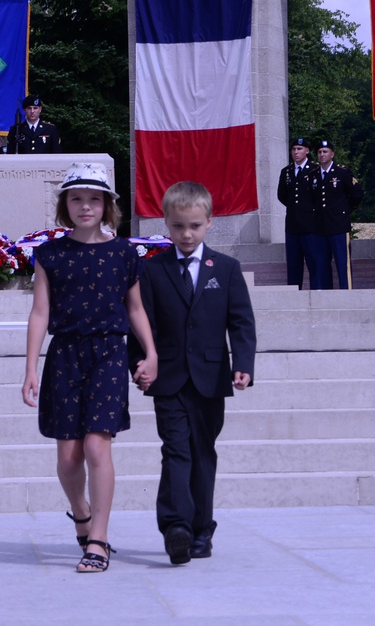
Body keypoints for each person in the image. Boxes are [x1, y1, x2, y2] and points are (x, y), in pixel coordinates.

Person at [22, 162, 157, 573]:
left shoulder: (123, 253)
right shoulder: (50, 255)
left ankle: (97, 539)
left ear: (106, 206)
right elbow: (40, 312)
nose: (85, 206)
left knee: (98, 445)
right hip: (65, 355)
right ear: (66, 204)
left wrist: (150, 353)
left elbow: (135, 308)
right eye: (77, 199)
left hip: (109, 355)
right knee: (68, 457)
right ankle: (80, 513)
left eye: (94, 199)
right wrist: (30, 368)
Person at [129, 181, 257, 565]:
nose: (187, 234)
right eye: (179, 226)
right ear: (166, 224)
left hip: (210, 378)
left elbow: (241, 323)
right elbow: (140, 324)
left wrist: (243, 366)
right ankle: (176, 528)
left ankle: (202, 530)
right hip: (167, 378)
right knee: (175, 450)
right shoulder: (151, 271)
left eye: (195, 226)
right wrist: (139, 364)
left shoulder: (228, 269)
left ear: (209, 224)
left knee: (203, 453)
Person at [313, 139, 363, 289]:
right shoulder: (313, 175)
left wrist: (346, 210)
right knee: (322, 265)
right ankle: (326, 297)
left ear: (332, 154)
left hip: (339, 226)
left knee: (342, 263)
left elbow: (357, 193)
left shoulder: (342, 172)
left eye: (325, 152)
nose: (322, 155)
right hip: (320, 226)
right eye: (320, 152)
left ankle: (346, 295)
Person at [277, 137, 324, 289]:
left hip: (311, 225)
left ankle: (317, 295)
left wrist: (308, 210)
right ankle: (294, 297)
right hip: (292, 225)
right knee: (293, 265)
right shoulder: (287, 172)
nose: (296, 152)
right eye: (294, 149)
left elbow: (319, 196)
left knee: (314, 263)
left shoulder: (315, 170)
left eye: (299, 149)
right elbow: (282, 195)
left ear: (307, 151)